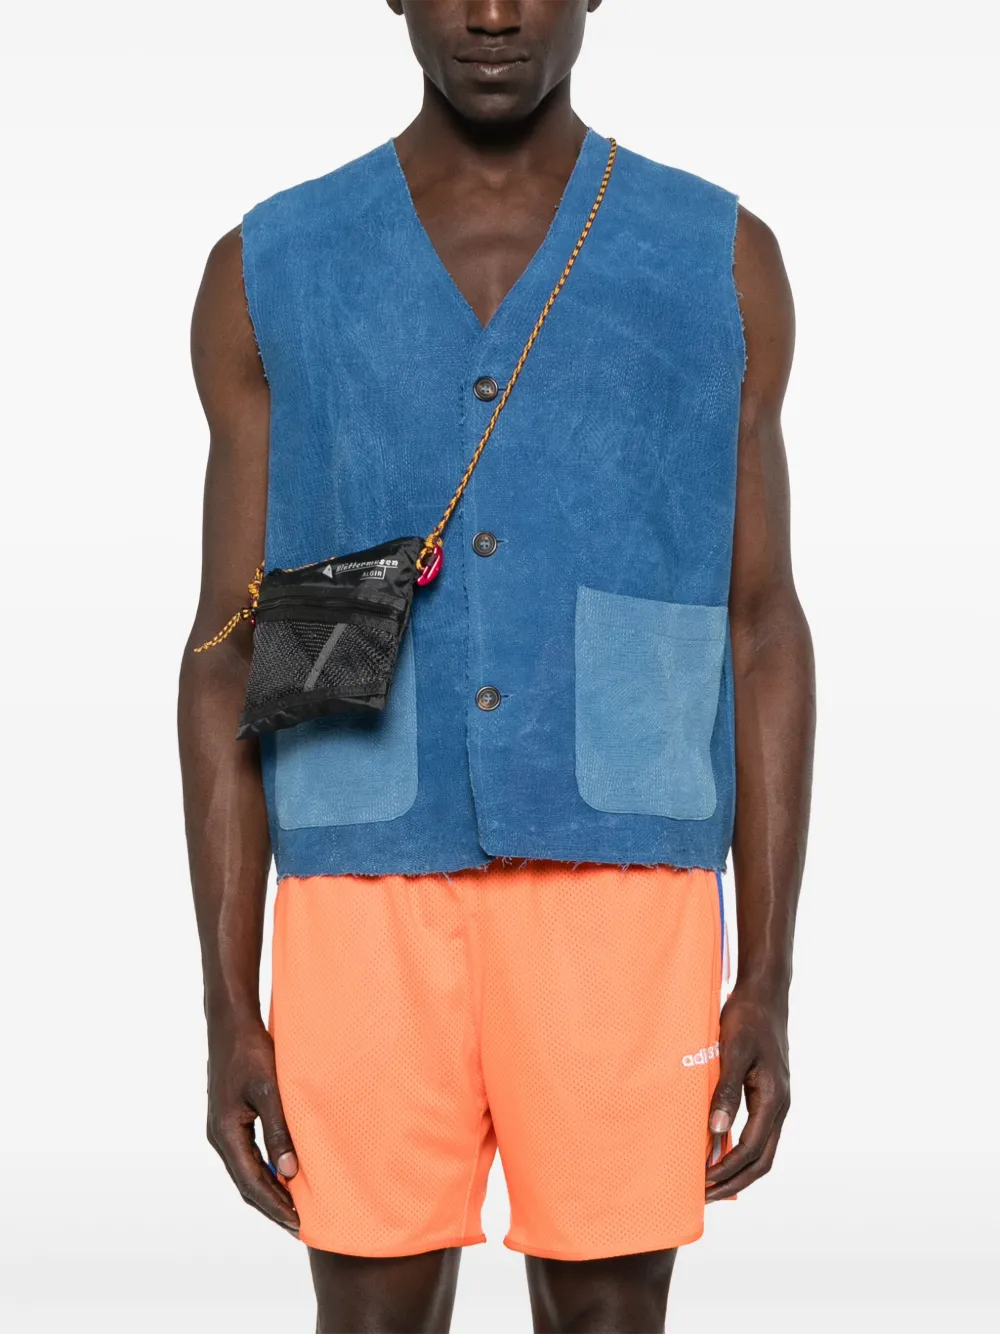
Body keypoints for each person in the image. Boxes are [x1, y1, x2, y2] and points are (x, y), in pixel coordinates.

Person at [178, 2, 815, 1329]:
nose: (491, 12)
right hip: (358, 889)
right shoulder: (270, 266)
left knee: (608, 1316)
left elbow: (761, 626)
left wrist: (766, 974)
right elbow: (225, 651)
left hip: (622, 895)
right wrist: (229, 1004)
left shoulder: (718, 258)